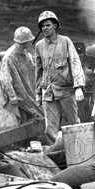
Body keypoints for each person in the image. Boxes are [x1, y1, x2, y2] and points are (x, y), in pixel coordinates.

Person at [35, 10, 86, 144]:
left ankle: (79, 154)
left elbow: (75, 63)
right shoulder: (39, 46)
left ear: (55, 25)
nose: (44, 28)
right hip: (48, 92)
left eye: (47, 25)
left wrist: (79, 87)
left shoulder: (65, 41)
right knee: (50, 129)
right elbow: (38, 71)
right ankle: (57, 158)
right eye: (42, 26)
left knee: (74, 124)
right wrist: (38, 93)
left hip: (66, 91)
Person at [0, 26, 43, 129]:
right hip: (15, 92)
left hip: (25, 88)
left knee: (30, 110)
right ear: (21, 42)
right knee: (17, 118)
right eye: (27, 42)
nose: (29, 44)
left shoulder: (25, 53)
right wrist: (11, 95)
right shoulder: (9, 57)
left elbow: (31, 67)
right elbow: (5, 78)